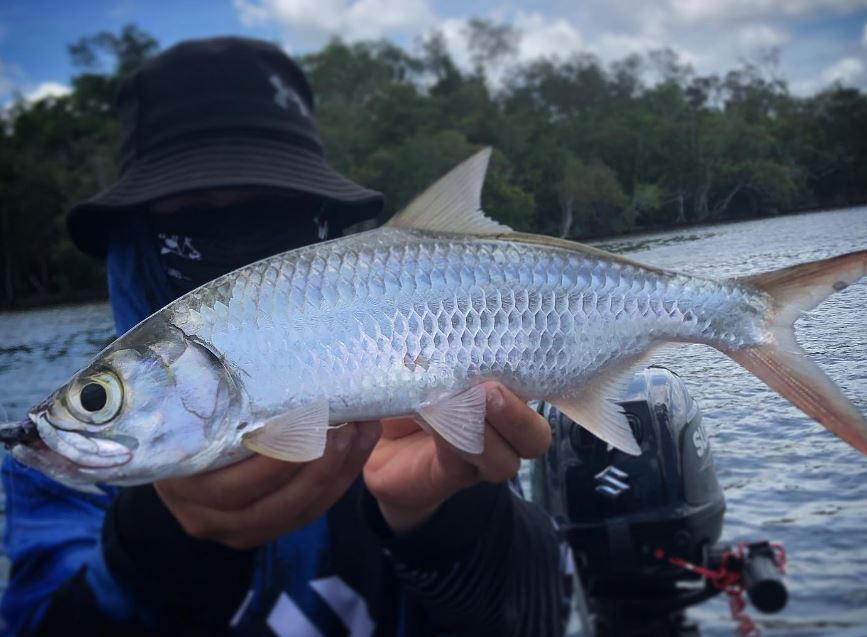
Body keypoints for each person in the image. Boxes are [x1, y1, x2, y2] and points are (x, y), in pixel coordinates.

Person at [1, 37, 569, 636]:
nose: (233, 231)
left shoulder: (402, 410)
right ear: (127, 239)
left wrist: (439, 513)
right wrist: (157, 546)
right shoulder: (67, 459)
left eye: (270, 206)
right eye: (190, 209)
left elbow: (536, 621)